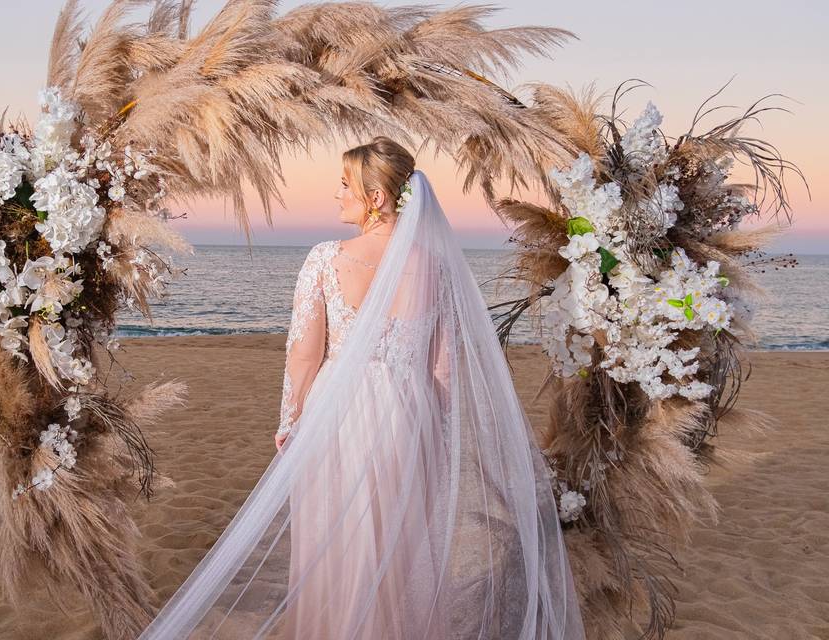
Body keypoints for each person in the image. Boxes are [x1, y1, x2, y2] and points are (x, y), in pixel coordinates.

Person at [139, 137, 586, 639]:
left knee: (336, 543)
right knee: (400, 554)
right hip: (410, 420)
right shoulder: (437, 267)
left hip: (339, 416)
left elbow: (305, 354)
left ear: (376, 197)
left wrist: (290, 422)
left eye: (346, 184)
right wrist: (435, 432)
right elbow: (442, 369)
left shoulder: (327, 259)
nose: (337, 195)